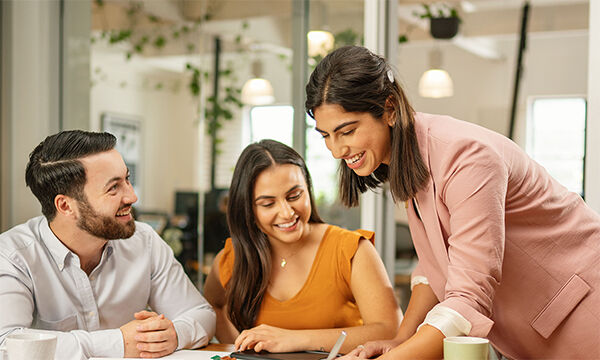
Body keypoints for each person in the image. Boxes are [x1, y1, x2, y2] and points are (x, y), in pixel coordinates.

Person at [305, 45, 600, 359]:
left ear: (389, 108)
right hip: (536, 333)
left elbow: (468, 296)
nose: (336, 150)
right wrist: (401, 341)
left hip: (584, 313)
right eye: (325, 135)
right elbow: (436, 263)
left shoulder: (467, 157)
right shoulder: (411, 159)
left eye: (347, 131)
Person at [0, 130, 216, 360]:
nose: (132, 196)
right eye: (113, 187)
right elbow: (6, 344)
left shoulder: (144, 241)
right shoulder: (13, 256)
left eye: (127, 179)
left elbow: (200, 314)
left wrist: (173, 334)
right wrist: (119, 343)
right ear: (65, 206)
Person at [203, 139, 399, 354]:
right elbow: (214, 305)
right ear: (247, 209)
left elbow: (390, 330)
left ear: (308, 189)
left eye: (295, 195)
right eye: (268, 204)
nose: (287, 213)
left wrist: (294, 339)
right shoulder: (233, 258)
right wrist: (241, 349)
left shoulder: (350, 249)